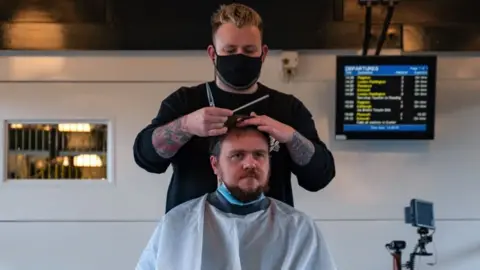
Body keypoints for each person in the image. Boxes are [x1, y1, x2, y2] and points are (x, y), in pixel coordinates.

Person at [133, 3, 336, 213]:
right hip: (196, 236)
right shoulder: (185, 102)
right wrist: (185, 126)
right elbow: (146, 157)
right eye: (230, 50)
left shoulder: (288, 108)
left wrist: (291, 137)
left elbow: (320, 176)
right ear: (213, 54)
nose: (239, 58)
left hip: (268, 236)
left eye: (249, 50)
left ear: (263, 54)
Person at [135, 125, 337, 270]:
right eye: (237, 155)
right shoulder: (178, 223)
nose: (251, 164)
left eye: (259, 155)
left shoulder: (299, 228)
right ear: (215, 165)